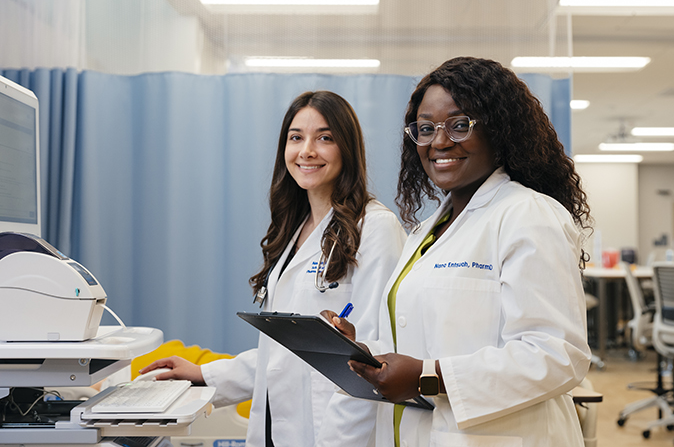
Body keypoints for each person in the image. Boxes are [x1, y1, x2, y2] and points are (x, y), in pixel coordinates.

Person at [344, 57, 594, 446]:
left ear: (500, 129)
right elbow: (425, 340)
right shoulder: (428, 230)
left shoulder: (528, 215)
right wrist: (365, 353)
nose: (440, 142)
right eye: (426, 129)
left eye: (459, 125)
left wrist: (428, 376)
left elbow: (557, 355)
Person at [140, 91, 407, 447]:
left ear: (347, 148)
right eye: (296, 137)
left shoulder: (375, 228)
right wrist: (204, 373)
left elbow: (372, 359)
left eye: (324, 138)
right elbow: (282, 354)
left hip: (336, 434)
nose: (307, 150)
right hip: (278, 430)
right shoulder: (295, 231)